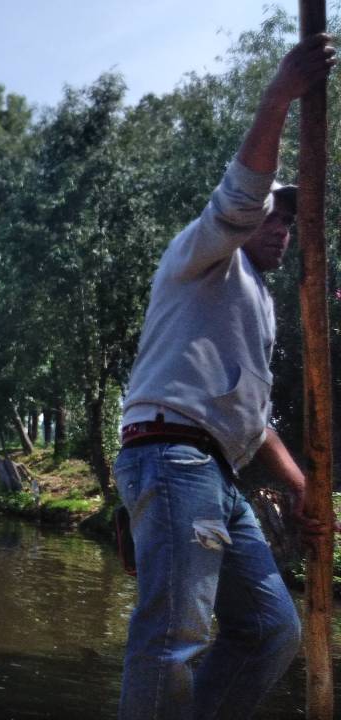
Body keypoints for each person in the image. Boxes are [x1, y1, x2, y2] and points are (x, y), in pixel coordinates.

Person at [113, 35, 337, 720]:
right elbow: (239, 199)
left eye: (291, 220)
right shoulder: (206, 253)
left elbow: (252, 418)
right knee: (174, 637)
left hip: (213, 472)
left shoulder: (260, 303)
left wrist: (303, 488)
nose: (282, 227)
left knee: (271, 631)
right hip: (171, 455)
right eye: (274, 215)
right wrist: (279, 97)